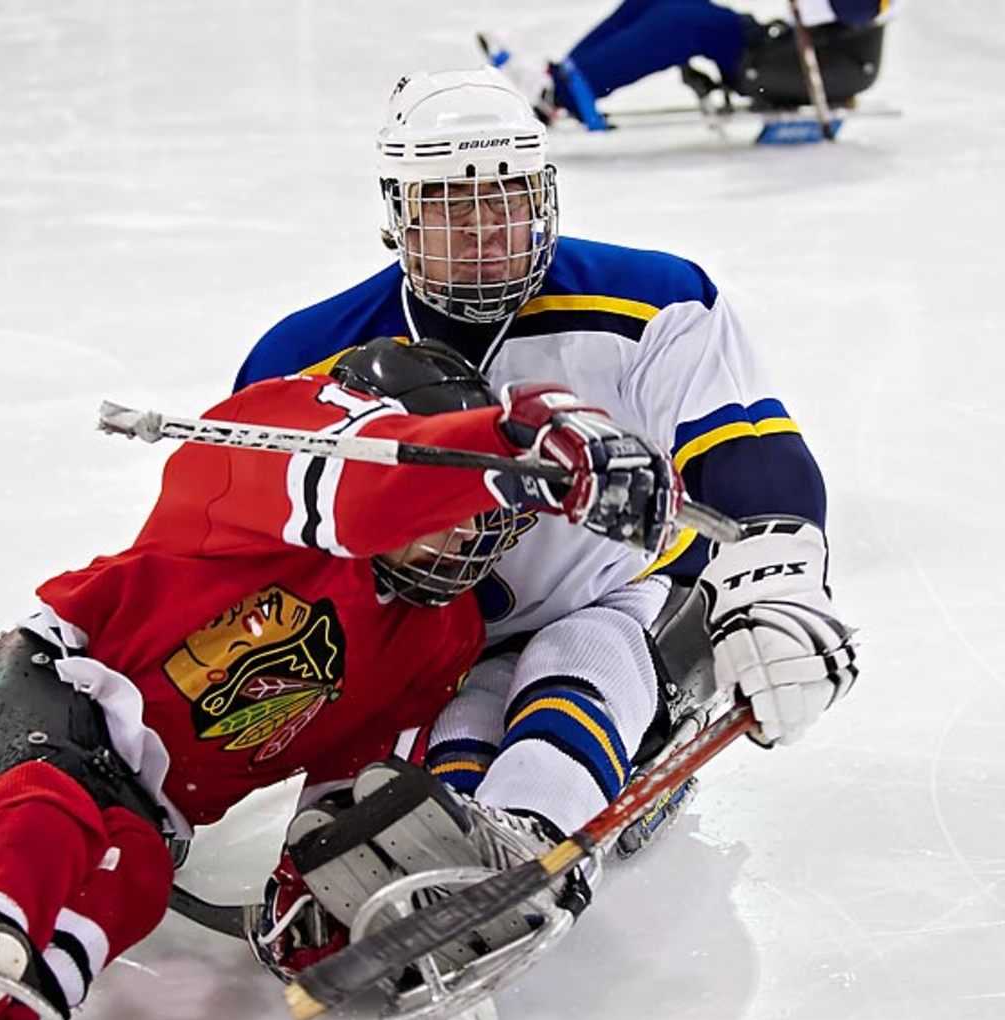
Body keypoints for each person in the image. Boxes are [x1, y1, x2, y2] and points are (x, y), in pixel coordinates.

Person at [0, 336, 677, 1020]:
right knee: (55, 803)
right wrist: (508, 438)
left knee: (137, 875)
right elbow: (359, 489)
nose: (469, 534)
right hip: (66, 677)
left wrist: (322, 876)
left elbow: (358, 765)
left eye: (486, 519)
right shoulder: (266, 441)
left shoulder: (441, 633)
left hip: (161, 794)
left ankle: (18, 1012)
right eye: (457, 509)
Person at [233, 66, 858, 972]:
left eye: (508, 200)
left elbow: (745, 442)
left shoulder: (652, 298)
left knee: (581, 649)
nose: (488, 234)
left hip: (620, 592)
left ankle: (528, 836)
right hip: (421, 634)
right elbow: (254, 540)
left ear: (546, 192)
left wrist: (781, 577)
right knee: (404, 765)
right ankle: (445, 830)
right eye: (452, 208)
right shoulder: (302, 356)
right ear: (398, 213)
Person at [477, 0, 895, 128]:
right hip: (780, 48)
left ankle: (564, 94)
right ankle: (561, 78)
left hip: (808, 68)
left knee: (683, 23)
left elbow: (857, 9)